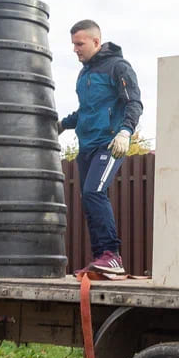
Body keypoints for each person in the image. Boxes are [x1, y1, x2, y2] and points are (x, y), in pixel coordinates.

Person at [58, 19, 143, 275]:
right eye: (73, 44)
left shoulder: (118, 67)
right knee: (89, 198)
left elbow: (134, 102)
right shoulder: (84, 74)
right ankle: (102, 260)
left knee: (94, 192)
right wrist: (62, 124)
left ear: (96, 41)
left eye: (79, 44)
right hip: (87, 146)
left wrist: (125, 132)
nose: (75, 49)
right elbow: (86, 111)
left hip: (110, 144)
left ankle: (112, 255)